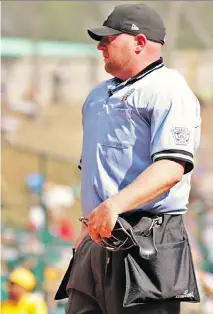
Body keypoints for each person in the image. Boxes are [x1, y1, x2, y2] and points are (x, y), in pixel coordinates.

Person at [55, 4, 201, 314]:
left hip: (148, 237)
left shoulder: (168, 88)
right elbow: (94, 169)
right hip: (97, 235)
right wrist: (87, 225)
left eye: (110, 38)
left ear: (139, 42)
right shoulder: (96, 96)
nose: (100, 45)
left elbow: (171, 168)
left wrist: (114, 206)